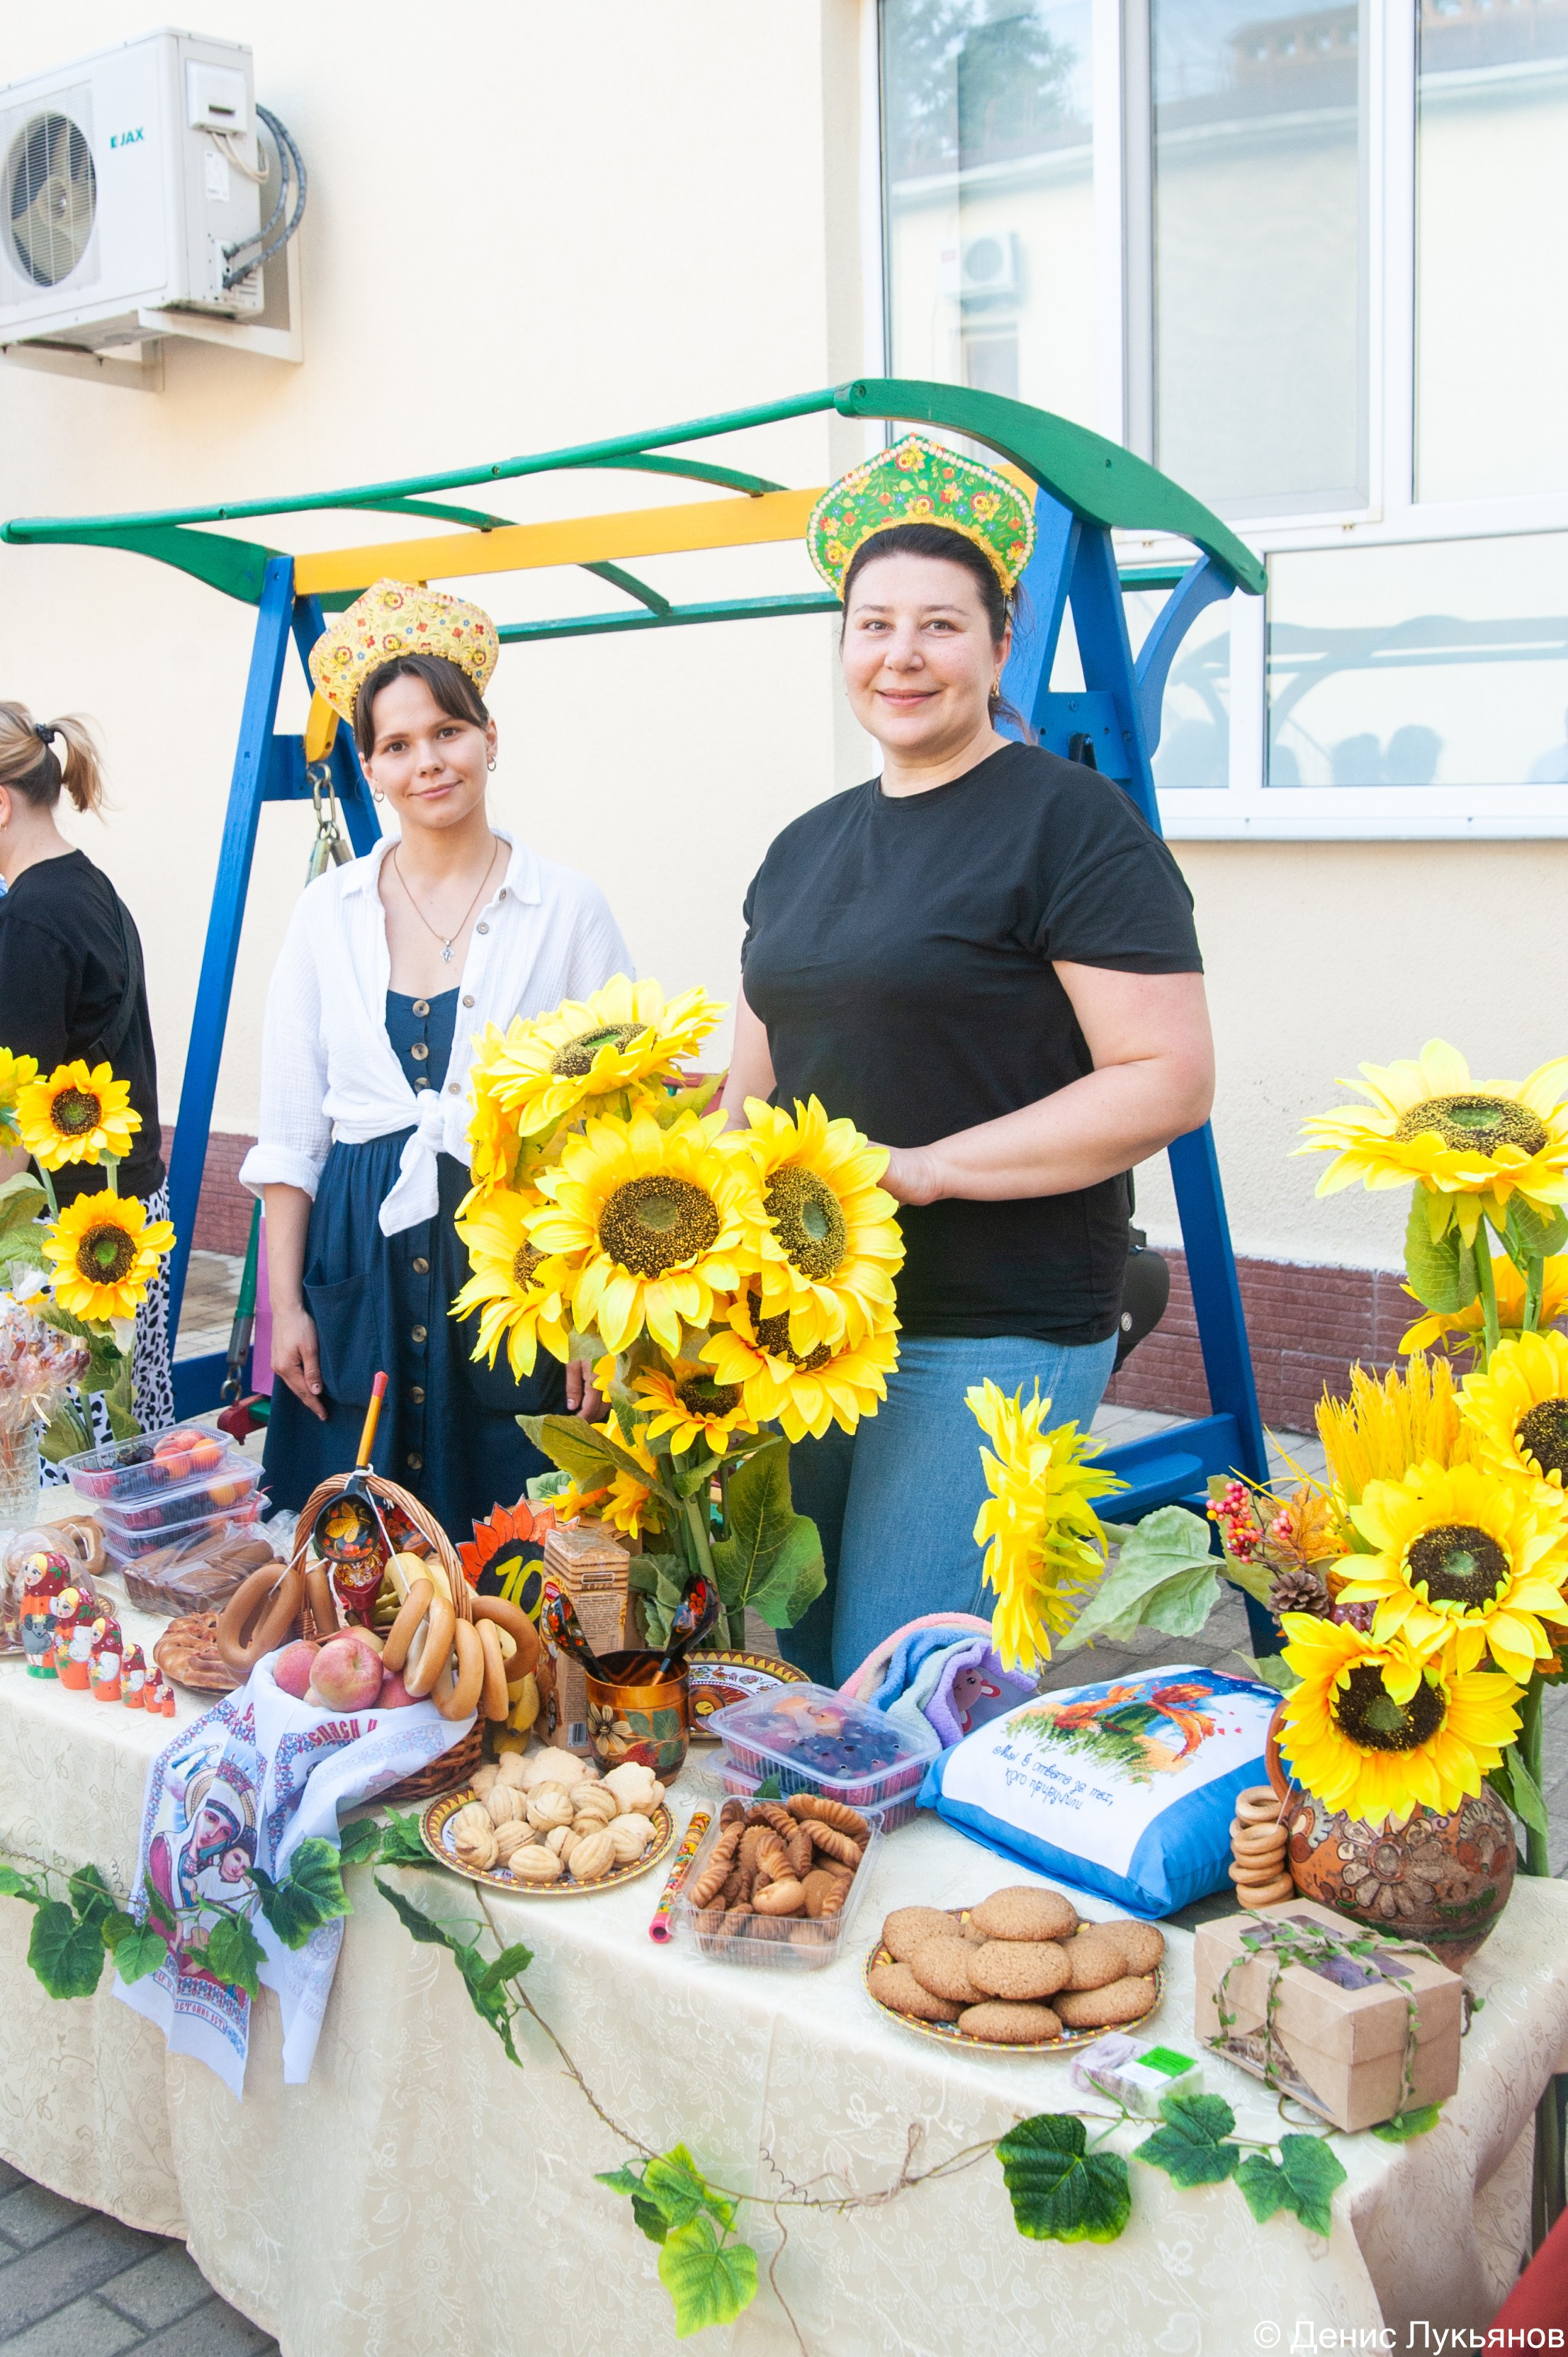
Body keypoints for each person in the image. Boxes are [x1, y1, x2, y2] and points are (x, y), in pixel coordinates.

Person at [723, 436, 1214, 1684]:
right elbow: (752, 1092)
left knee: (903, 1680)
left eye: (939, 625)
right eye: (871, 623)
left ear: (998, 650)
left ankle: (923, 1883)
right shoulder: (800, 847)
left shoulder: (1069, 825)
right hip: (812, 1333)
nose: (900, 654)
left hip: (991, 1318)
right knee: (808, 1646)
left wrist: (930, 1169)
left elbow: (1164, 1075)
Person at [240, 580, 631, 1536]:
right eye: (397, 745)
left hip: (515, 1268)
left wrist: (592, 1320)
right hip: (356, 1254)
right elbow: (292, 1138)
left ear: (489, 736)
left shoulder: (567, 908)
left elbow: (615, 1135)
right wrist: (284, 1308)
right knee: (354, 1547)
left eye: (447, 732)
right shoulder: (325, 915)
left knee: (515, 1555)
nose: (429, 762)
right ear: (369, 766)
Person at [0, 703, 173, 1439]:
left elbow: (13, 1128)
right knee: (130, 1459)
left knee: (57, 1496)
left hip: (63, 1249)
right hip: (128, 1222)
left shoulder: (29, 921)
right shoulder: (94, 889)